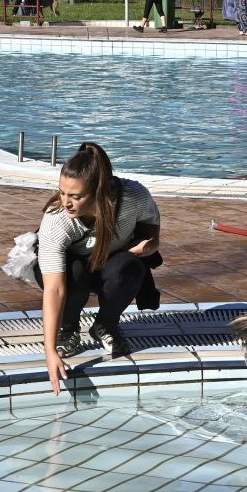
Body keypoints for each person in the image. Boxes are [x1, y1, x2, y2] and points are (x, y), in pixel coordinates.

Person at [40, 143, 162, 394]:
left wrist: (148, 247)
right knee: (73, 274)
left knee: (130, 268)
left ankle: (105, 324)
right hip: (72, 272)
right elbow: (54, 290)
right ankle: (69, 328)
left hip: (111, 261)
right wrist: (49, 350)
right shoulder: (56, 220)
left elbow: (152, 232)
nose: (66, 202)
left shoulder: (133, 196)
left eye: (76, 196)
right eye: (62, 192)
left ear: (99, 191)